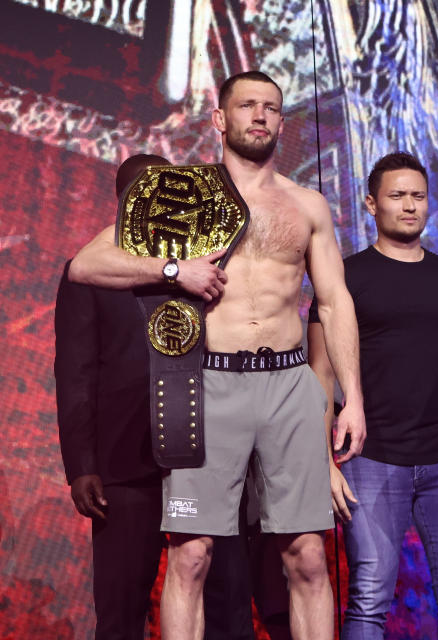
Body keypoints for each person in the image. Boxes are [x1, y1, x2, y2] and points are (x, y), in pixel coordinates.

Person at [67, 70, 365, 640]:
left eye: (271, 107)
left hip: (288, 385)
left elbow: (334, 301)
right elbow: (85, 264)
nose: (260, 115)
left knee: (306, 556)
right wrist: (174, 268)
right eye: (247, 105)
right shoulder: (180, 194)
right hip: (209, 385)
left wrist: (350, 398)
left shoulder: (308, 205)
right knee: (192, 555)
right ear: (220, 120)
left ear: (282, 121)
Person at [307, 151, 438, 640]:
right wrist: (323, 458)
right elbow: (319, 372)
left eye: (418, 196)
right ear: (370, 204)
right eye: (397, 195)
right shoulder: (343, 279)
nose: (410, 206)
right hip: (370, 456)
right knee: (368, 599)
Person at [55, 153, 255, 640]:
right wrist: (81, 465)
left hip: (205, 456)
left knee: (222, 599)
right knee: (122, 604)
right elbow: (76, 373)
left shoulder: (212, 262)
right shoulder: (88, 272)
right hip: (125, 464)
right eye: (139, 192)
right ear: (121, 205)